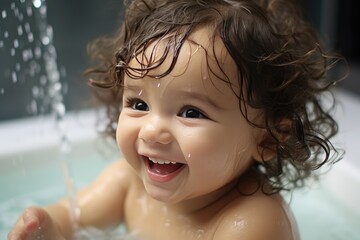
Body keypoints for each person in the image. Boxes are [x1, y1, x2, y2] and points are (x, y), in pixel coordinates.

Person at [8, 0, 344, 239]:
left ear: (268, 139)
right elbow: (70, 218)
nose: (153, 129)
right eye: (138, 103)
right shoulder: (127, 184)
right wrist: (43, 227)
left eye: (191, 112)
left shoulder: (251, 224)